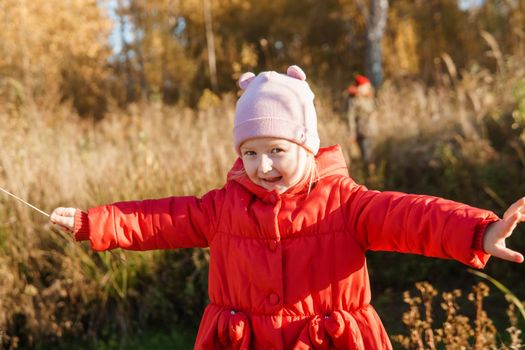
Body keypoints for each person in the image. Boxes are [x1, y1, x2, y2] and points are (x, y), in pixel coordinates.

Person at [50, 65, 524, 350]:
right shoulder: (222, 208)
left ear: (306, 145)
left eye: (277, 150)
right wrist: (94, 222)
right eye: (250, 152)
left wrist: (478, 232)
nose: (262, 165)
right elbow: (160, 219)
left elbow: (412, 216)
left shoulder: (345, 203)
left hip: (329, 340)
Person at [346, 74, 376, 166]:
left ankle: (370, 173)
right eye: (366, 86)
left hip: (370, 131)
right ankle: (369, 176)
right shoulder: (354, 99)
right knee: (367, 157)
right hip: (362, 131)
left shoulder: (368, 97)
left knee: (370, 155)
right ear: (361, 87)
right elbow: (350, 117)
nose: (369, 88)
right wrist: (352, 134)